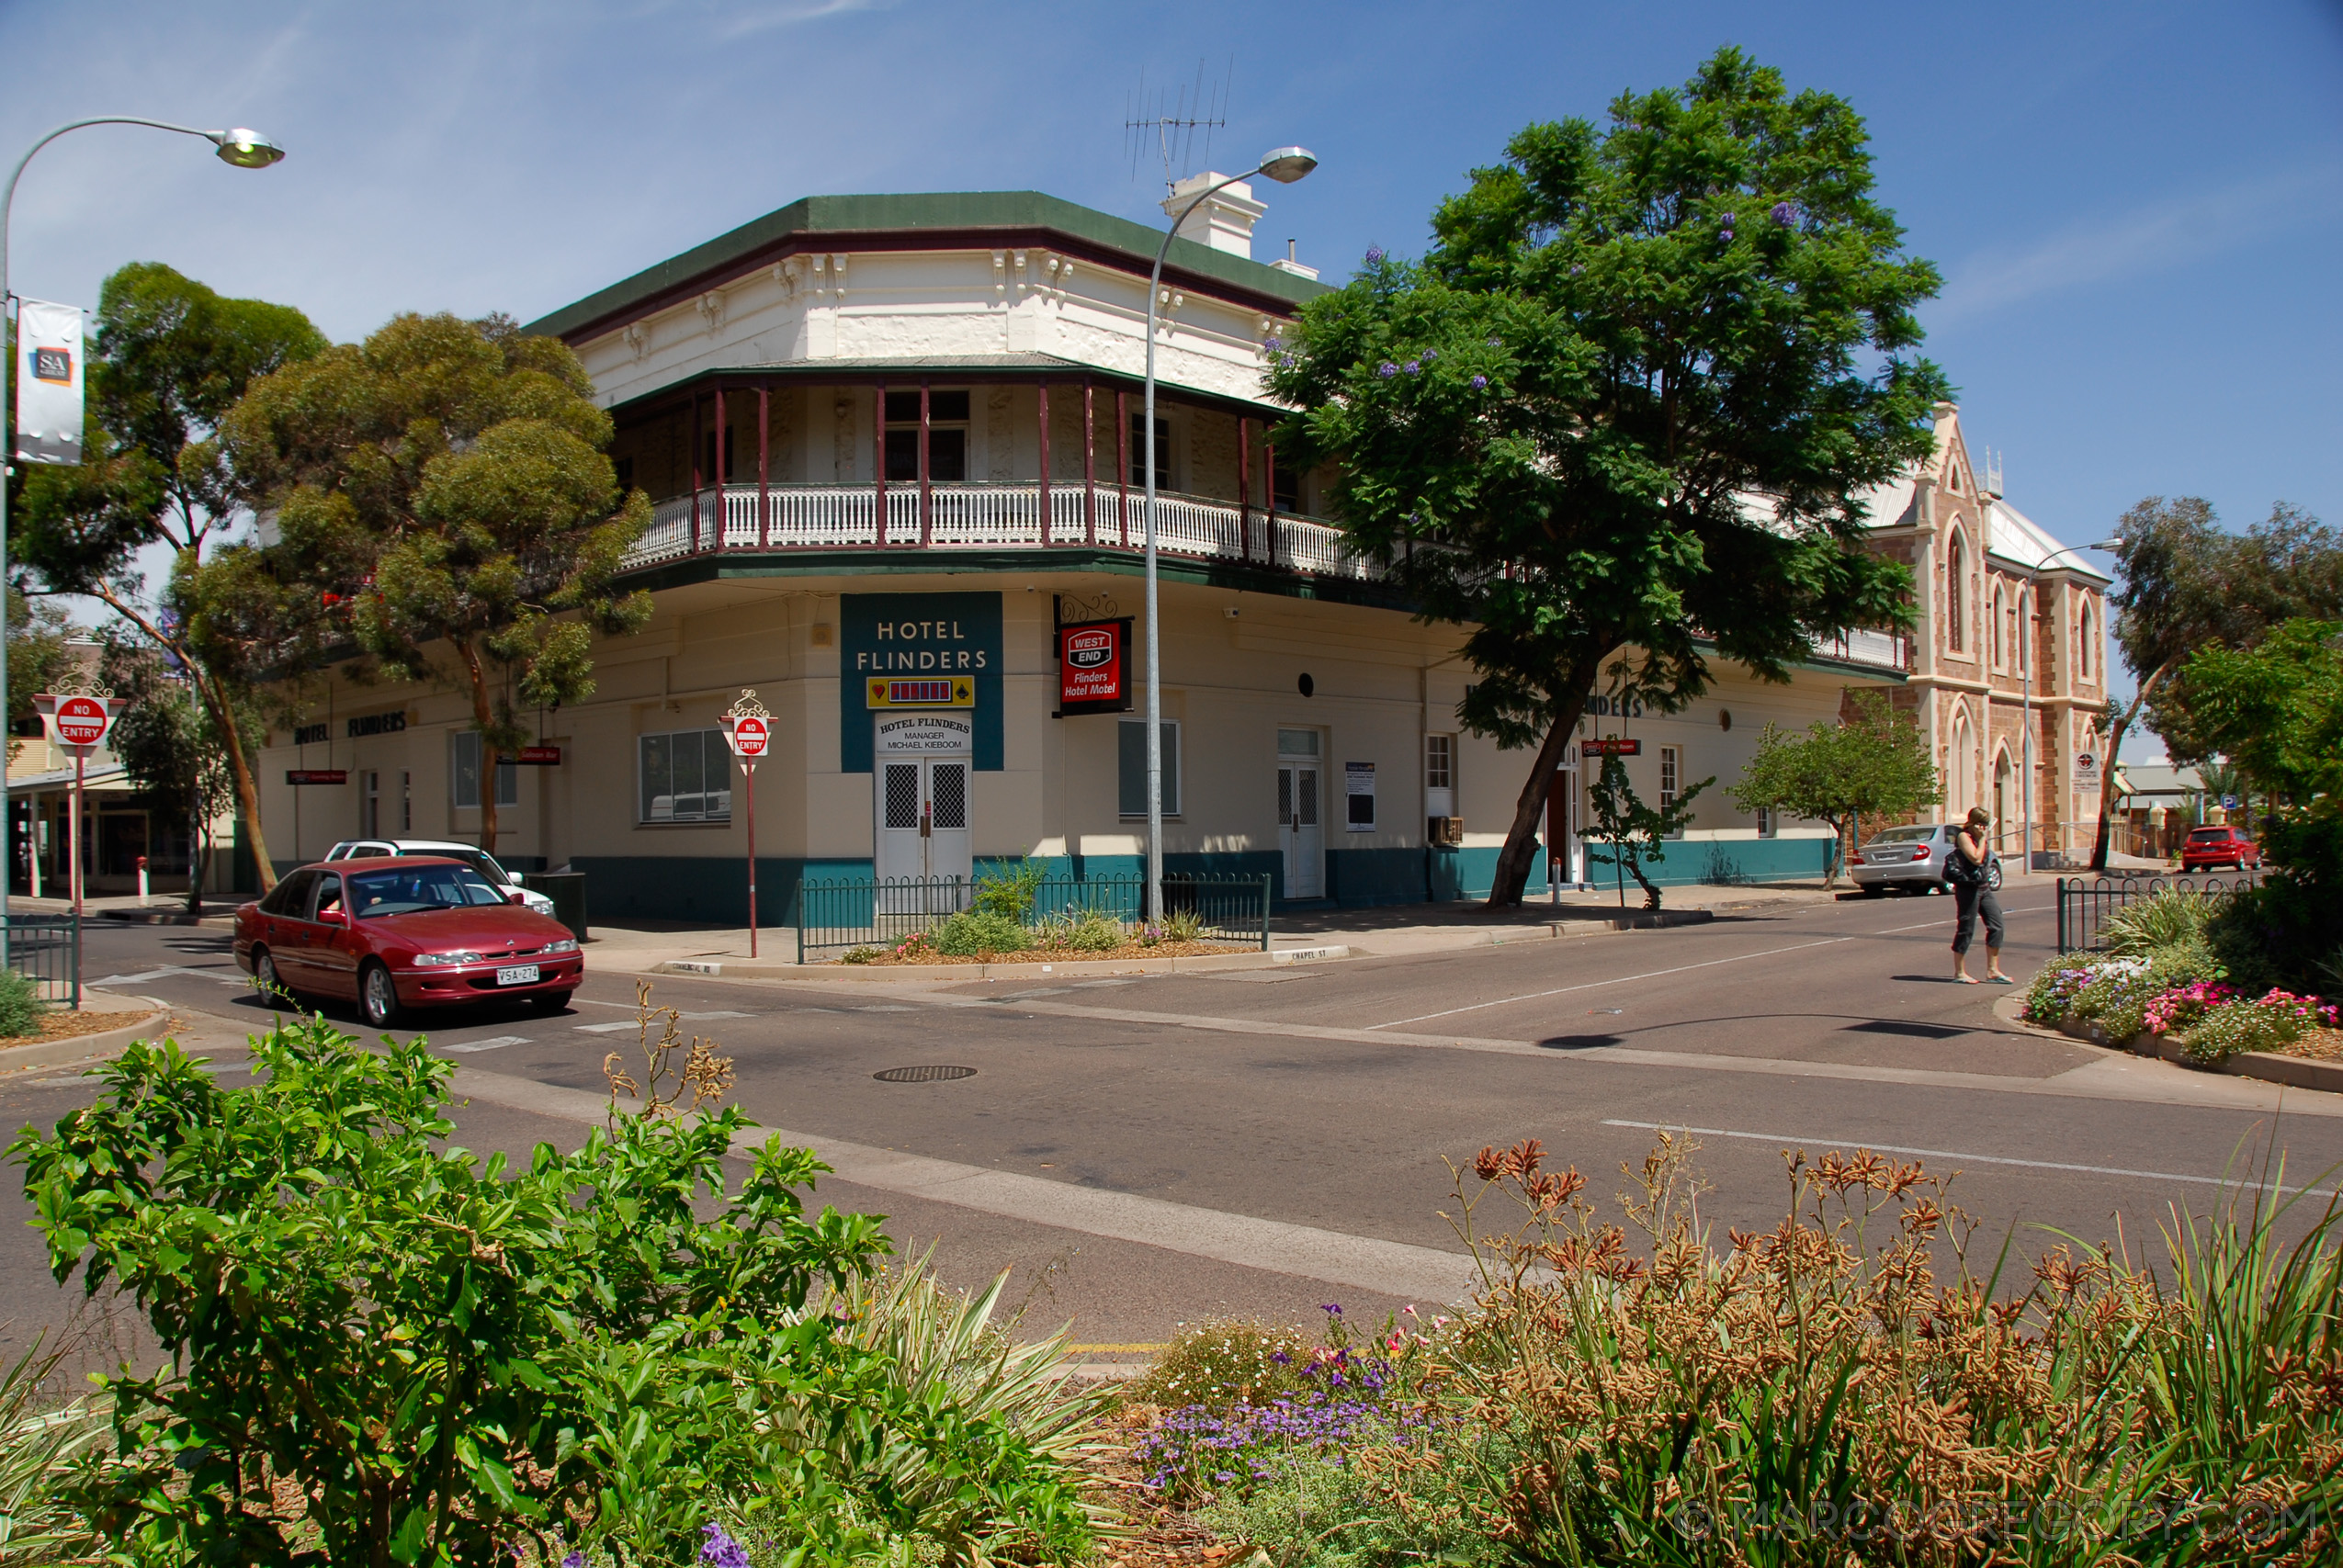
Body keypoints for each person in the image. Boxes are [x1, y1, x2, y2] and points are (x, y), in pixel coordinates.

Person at [1949, 806, 2008, 984]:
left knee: (1996, 924)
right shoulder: (1964, 837)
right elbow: (1976, 858)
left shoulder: (1980, 837)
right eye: (1981, 824)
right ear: (1973, 823)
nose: (1984, 828)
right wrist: (1982, 840)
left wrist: (1982, 839)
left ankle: (1993, 970)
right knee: (1967, 927)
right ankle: (1959, 972)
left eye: (1986, 824)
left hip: (1984, 886)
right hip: (1968, 888)